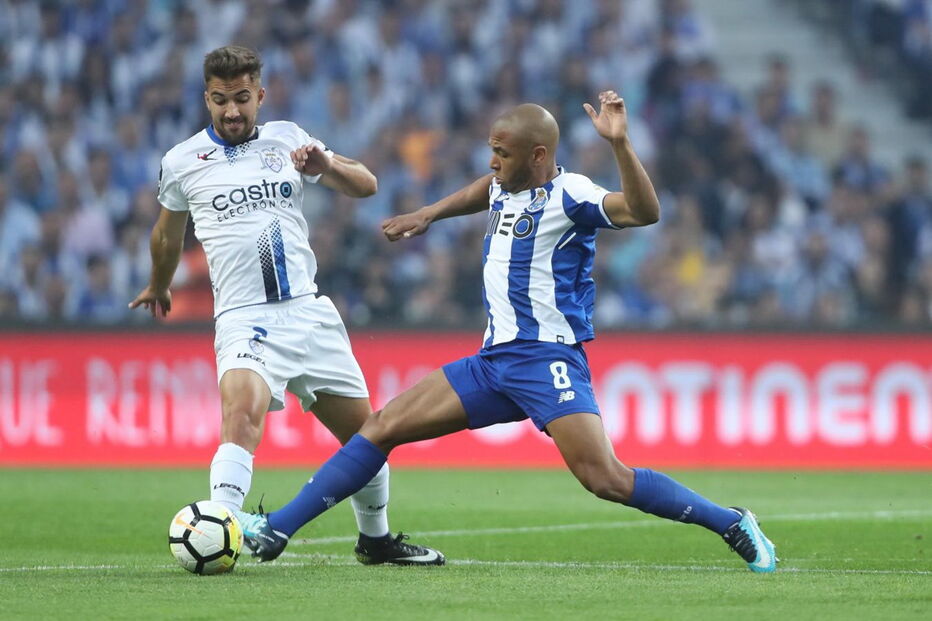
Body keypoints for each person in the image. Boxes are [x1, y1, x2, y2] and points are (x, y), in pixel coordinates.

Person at [240, 91, 778, 573]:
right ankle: (278, 529)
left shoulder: (572, 194)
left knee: (606, 479)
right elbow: (484, 190)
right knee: (381, 426)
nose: (493, 162)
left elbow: (644, 211)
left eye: (503, 152)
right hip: (493, 362)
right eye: (492, 151)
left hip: (547, 361)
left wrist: (620, 144)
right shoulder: (503, 185)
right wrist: (430, 213)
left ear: (538, 156)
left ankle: (730, 521)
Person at [129, 45, 444, 566]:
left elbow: (367, 185)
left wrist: (328, 164)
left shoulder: (289, 139)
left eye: (243, 99)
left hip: (309, 315)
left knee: (369, 438)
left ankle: (376, 541)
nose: (232, 111)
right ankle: (222, 535)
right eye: (221, 100)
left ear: (261, 95)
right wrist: (161, 284)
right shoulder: (182, 161)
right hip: (244, 317)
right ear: (207, 99)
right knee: (242, 416)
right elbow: (166, 235)